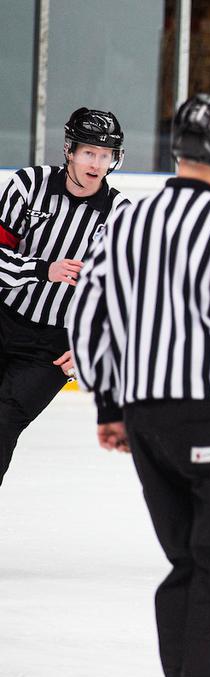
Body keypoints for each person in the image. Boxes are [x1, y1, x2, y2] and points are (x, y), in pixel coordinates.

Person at [67, 93, 210, 677]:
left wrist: (108, 405)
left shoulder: (126, 218)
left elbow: (86, 316)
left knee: (190, 562)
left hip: (147, 422)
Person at [0, 107, 128, 487]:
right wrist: (43, 270)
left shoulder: (120, 214)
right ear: (70, 150)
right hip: (3, 316)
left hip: (53, 347)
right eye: (89, 152)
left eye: (106, 155)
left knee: (3, 424)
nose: (97, 163)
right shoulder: (29, 185)